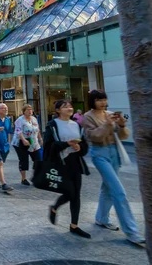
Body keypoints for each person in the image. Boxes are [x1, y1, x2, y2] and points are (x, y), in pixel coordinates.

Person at [83, 90, 145, 246]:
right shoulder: (87, 116)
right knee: (119, 191)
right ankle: (132, 232)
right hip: (99, 154)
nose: (103, 102)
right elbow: (94, 136)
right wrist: (107, 124)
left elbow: (123, 136)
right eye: (99, 100)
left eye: (104, 99)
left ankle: (102, 218)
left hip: (114, 153)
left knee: (107, 189)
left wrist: (122, 125)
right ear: (92, 101)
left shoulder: (110, 113)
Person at [44, 99, 91, 239]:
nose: (69, 108)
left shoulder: (77, 125)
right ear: (58, 110)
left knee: (76, 194)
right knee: (70, 192)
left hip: (75, 162)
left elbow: (85, 145)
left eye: (70, 106)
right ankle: (54, 207)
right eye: (65, 107)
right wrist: (66, 144)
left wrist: (79, 147)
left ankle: (74, 225)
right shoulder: (53, 125)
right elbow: (48, 145)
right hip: (61, 162)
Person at [13, 104, 43, 185]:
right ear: (24, 111)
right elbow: (18, 131)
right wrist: (23, 140)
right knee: (24, 160)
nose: (30, 111)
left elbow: (37, 130)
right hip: (21, 142)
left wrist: (40, 139)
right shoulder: (20, 120)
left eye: (31, 109)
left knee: (38, 159)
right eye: (28, 109)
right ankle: (23, 179)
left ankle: (35, 176)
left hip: (34, 142)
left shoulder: (34, 119)